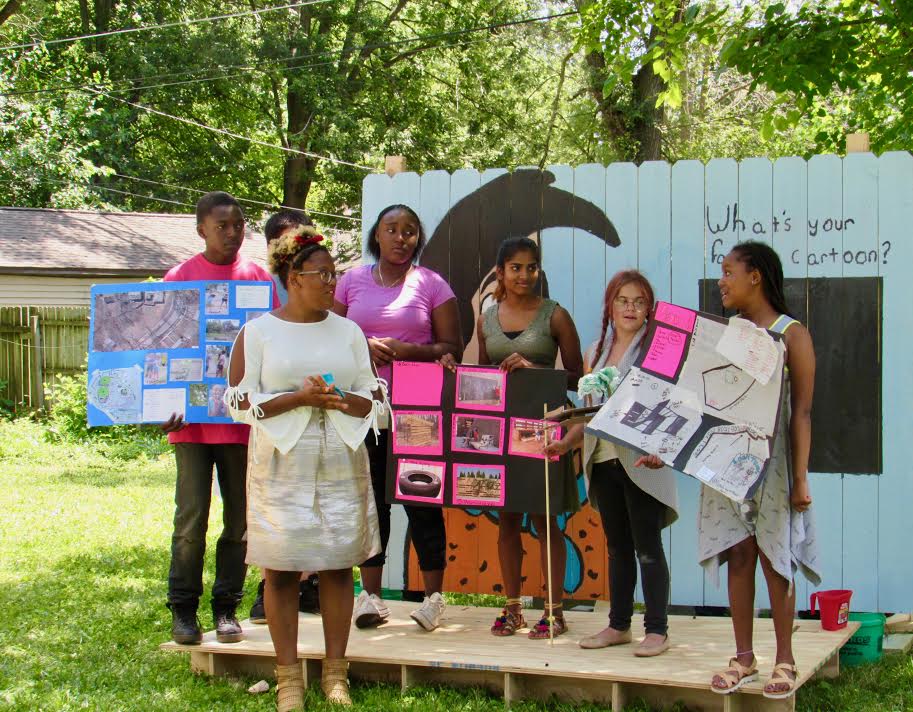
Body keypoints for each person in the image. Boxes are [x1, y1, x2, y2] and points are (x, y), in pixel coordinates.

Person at [640, 242, 819, 699]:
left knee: (774, 560)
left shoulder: (791, 334)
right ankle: (743, 657)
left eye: (728, 271)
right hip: (722, 462)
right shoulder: (725, 334)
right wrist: (667, 447)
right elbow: (699, 402)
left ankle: (785, 659)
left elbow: (801, 413)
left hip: (774, 467)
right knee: (737, 555)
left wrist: (799, 478)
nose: (722, 280)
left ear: (755, 276)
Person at [225, 227, 384, 708]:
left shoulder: (349, 330)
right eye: (322, 274)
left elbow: (376, 397)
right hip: (280, 460)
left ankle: (336, 674)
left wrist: (339, 400)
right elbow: (236, 400)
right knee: (281, 570)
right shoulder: (258, 332)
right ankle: (288, 677)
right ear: (293, 278)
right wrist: (297, 398)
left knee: (338, 566)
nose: (331, 282)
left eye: (333, 273)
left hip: (339, 456)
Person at [442, 236, 583, 639]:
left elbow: (576, 375)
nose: (525, 274)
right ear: (500, 272)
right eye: (516, 267)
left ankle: (554, 611)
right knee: (505, 519)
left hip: (542, 429)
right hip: (498, 435)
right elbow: (483, 379)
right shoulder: (487, 319)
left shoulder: (555, 315)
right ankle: (513, 608)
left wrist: (534, 371)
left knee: (545, 519)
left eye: (532, 266)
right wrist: (453, 367)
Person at [333, 204, 462, 632]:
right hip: (362, 410)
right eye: (392, 229)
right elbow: (329, 337)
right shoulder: (350, 280)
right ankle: (369, 597)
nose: (400, 237)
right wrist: (363, 347)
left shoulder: (432, 284)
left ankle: (433, 600)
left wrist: (405, 351)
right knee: (372, 503)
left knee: (422, 500)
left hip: (418, 410)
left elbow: (452, 348)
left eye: (409, 231)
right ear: (377, 235)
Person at [160, 191, 279, 646]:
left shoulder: (257, 279)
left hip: (240, 425)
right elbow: (165, 353)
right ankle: (183, 610)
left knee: (240, 522)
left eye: (239, 224)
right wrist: (160, 409)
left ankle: (226, 609)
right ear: (201, 230)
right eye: (221, 225)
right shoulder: (179, 278)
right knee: (190, 520)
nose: (232, 233)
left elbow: (269, 349)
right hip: (190, 427)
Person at [545, 270, 678, 657]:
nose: (631, 308)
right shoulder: (595, 351)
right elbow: (591, 415)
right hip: (602, 459)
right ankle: (619, 625)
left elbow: (672, 406)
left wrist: (663, 448)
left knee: (648, 547)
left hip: (641, 460)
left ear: (649, 309)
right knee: (618, 548)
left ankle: (657, 630)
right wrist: (566, 444)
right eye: (623, 300)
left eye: (639, 301)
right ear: (610, 305)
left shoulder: (659, 350)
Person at [247, 208, 320, 624]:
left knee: (310, 499)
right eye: (291, 240)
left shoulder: (319, 287)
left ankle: (308, 583)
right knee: (272, 505)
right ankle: (269, 587)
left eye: (305, 238)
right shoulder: (258, 286)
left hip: (314, 418)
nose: (300, 246)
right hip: (270, 417)